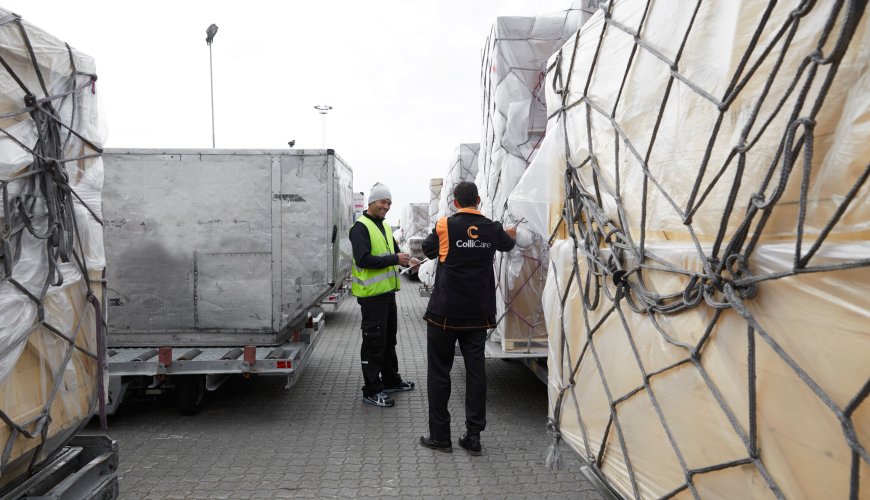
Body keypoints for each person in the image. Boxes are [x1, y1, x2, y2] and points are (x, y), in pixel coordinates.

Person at [418, 181, 516, 454]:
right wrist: (510, 233)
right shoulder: (493, 229)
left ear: (455, 203)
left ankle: (440, 437)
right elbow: (508, 244)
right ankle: (473, 437)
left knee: (439, 372)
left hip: (444, 314)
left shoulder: (444, 225)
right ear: (479, 200)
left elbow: (428, 250)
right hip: (477, 314)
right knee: (476, 373)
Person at [349, 182, 418, 407]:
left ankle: (390, 380)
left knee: (389, 340)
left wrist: (408, 260)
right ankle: (371, 389)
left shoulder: (385, 226)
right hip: (371, 297)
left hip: (387, 294)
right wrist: (394, 260)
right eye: (383, 202)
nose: (386, 206)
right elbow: (364, 259)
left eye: (389, 203)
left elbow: (395, 253)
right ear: (371, 202)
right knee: (374, 343)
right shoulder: (360, 227)